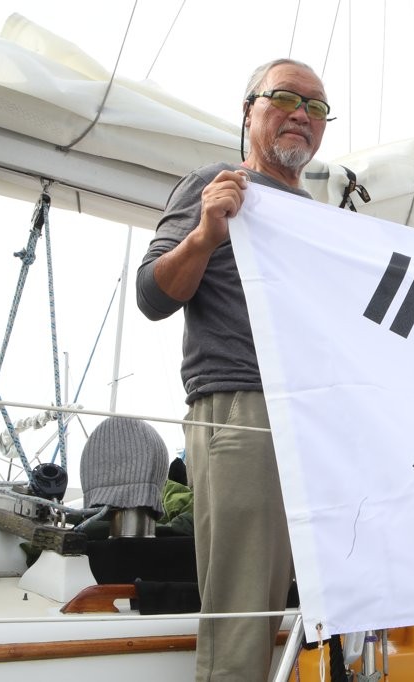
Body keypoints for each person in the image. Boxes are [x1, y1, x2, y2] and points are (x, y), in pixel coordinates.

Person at [136, 58, 330, 682]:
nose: (303, 114)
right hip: (246, 408)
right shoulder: (210, 186)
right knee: (244, 607)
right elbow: (153, 296)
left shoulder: (326, 221)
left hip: (320, 417)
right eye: (285, 98)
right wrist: (205, 234)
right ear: (248, 111)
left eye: (317, 107)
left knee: (340, 594)